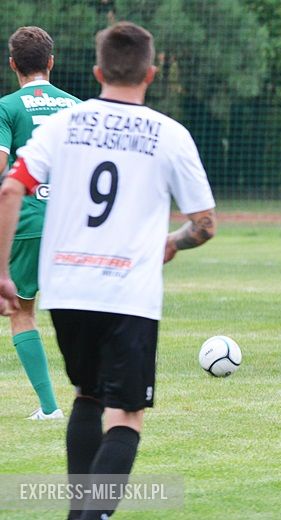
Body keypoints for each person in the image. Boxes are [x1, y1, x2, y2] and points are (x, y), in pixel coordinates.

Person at [0, 22, 216, 518]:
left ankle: (81, 511)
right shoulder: (170, 134)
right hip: (128, 291)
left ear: (98, 71)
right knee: (127, 415)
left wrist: (1, 272)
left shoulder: (64, 126)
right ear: (152, 72)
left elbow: (11, 188)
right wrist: (173, 242)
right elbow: (203, 225)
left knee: (87, 395)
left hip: (68, 289)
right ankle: (89, 515)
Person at [0, 26, 80, 420]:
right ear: (51, 61)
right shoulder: (77, 107)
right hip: (73, 223)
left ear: (13, 64)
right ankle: (94, 398)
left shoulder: (7, 107)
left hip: (29, 220)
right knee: (81, 312)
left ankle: (49, 408)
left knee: (22, 312)